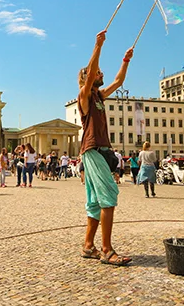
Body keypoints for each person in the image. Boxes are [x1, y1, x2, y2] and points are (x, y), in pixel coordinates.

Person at [78, 29, 133, 266]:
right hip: (92, 149)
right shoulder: (84, 96)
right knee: (108, 196)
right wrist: (98, 46)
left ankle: (88, 246)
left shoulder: (99, 96)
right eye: (98, 72)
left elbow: (119, 81)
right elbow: (91, 74)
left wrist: (125, 60)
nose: (101, 74)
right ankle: (107, 250)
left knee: (94, 201)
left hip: (99, 151)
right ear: (87, 77)